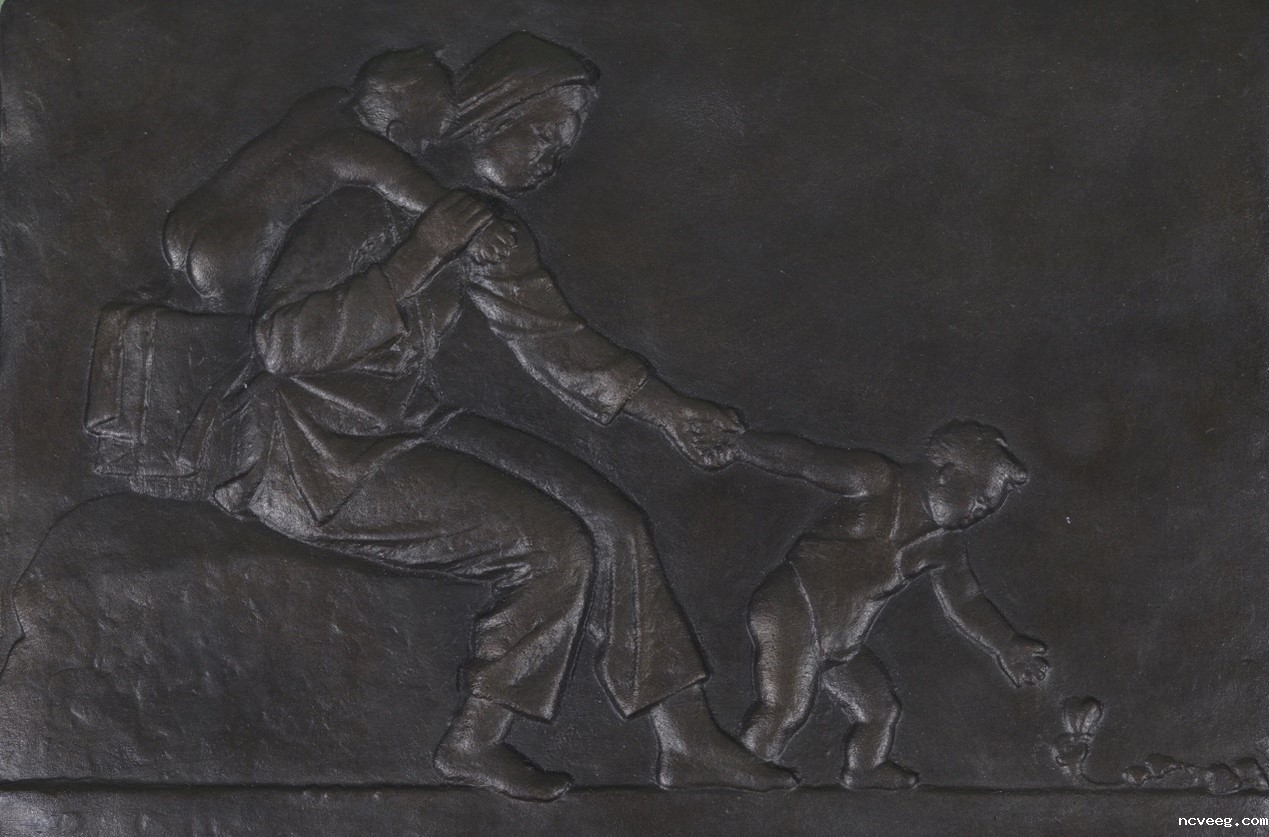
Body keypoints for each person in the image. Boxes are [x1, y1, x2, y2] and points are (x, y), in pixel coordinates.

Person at [179, 33, 792, 800]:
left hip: (399, 423)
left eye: (565, 144)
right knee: (554, 546)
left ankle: (687, 738)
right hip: (306, 452)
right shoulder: (366, 203)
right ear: (488, 114)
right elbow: (281, 346)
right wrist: (420, 253)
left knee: (615, 520)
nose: (552, 157)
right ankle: (475, 739)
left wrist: (670, 411)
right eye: (542, 131)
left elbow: (556, 341)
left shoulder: (488, 227)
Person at [734, 420, 1049, 789]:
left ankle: (864, 770)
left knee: (879, 709)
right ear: (947, 475)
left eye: (988, 510)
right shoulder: (880, 481)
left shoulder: (943, 546)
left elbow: (966, 601)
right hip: (791, 607)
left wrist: (1006, 644)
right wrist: (740, 443)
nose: (977, 515)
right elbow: (805, 459)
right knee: (786, 708)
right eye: (979, 501)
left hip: (842, 641)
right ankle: (744, 770)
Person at [161, 47, 474, 311]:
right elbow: (425, 194)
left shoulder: (326, 100)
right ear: (398, 132)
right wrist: (478, 224)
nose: (424, 150)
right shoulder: (361, 148)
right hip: (229, 253)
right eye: (425, 139)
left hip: (186, 222)